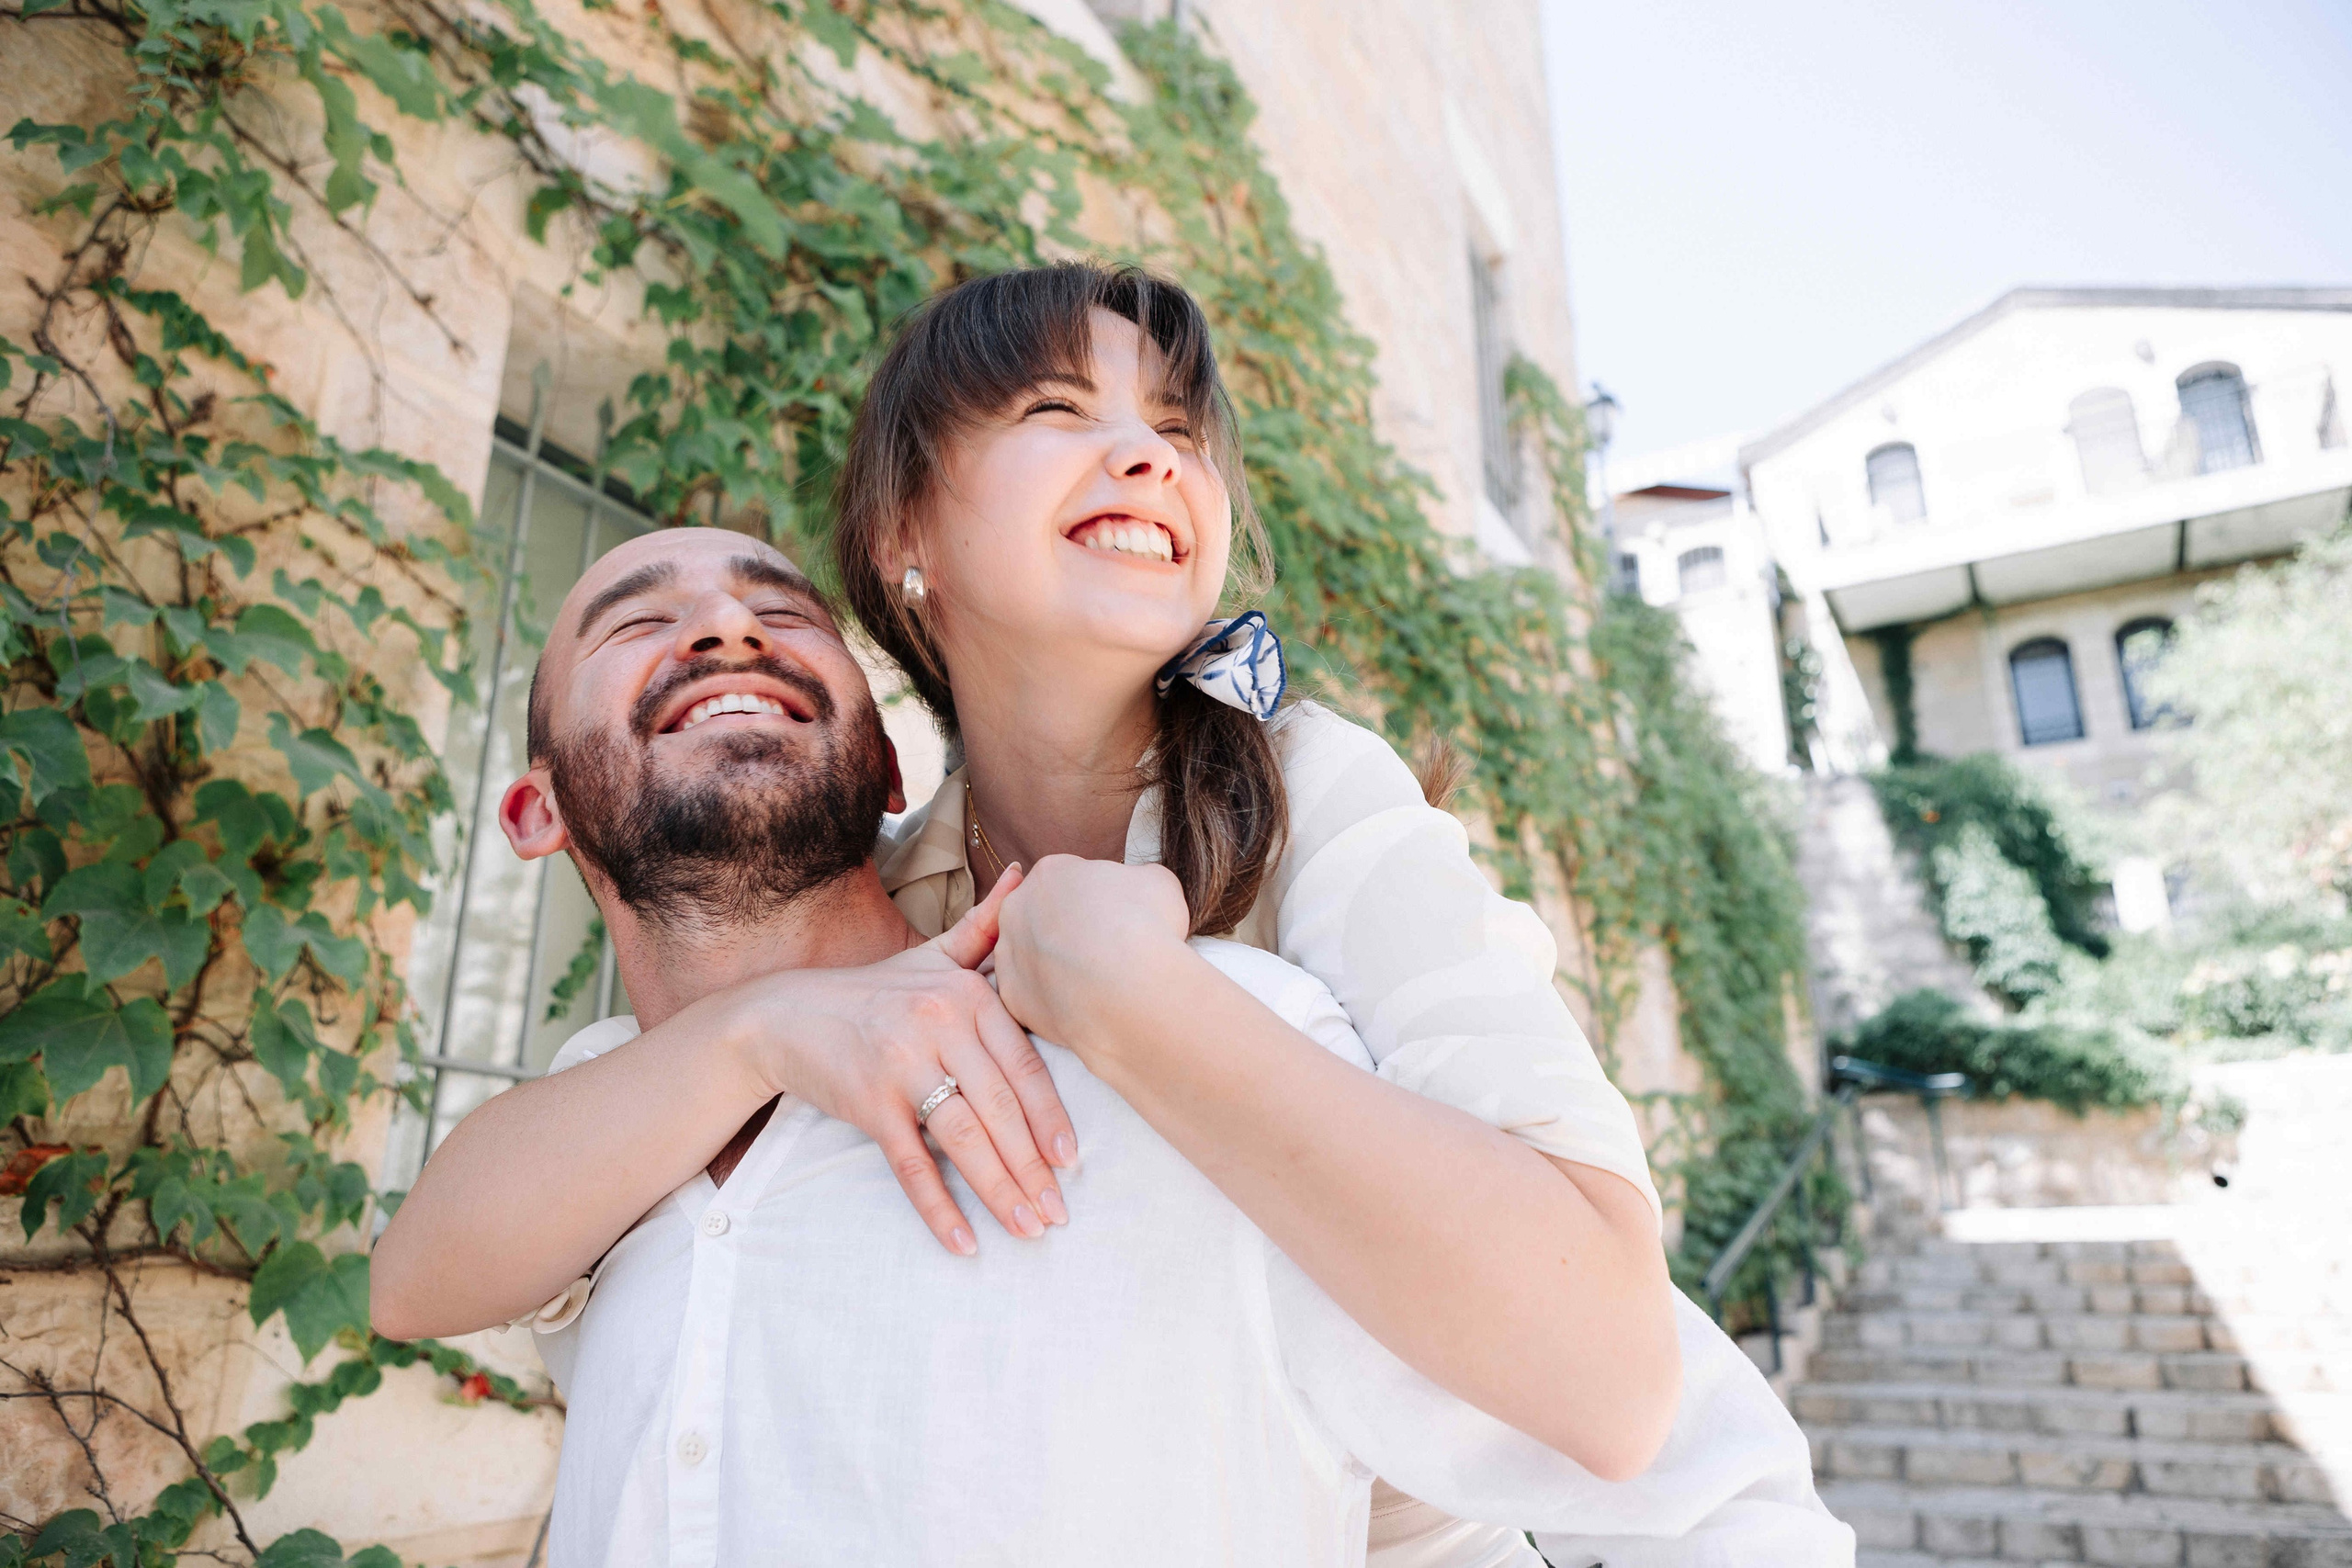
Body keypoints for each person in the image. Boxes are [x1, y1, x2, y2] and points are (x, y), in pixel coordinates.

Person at [373, 263, 1845, 1563]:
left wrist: (1138, 1003)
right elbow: (444, 1253)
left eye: (1179, 430)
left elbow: (1626, 1380)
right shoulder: (879, 935)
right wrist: (765, 1029)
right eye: (1060, 411)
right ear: (907, 536)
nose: (1146, 452)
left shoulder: (1318, 812)